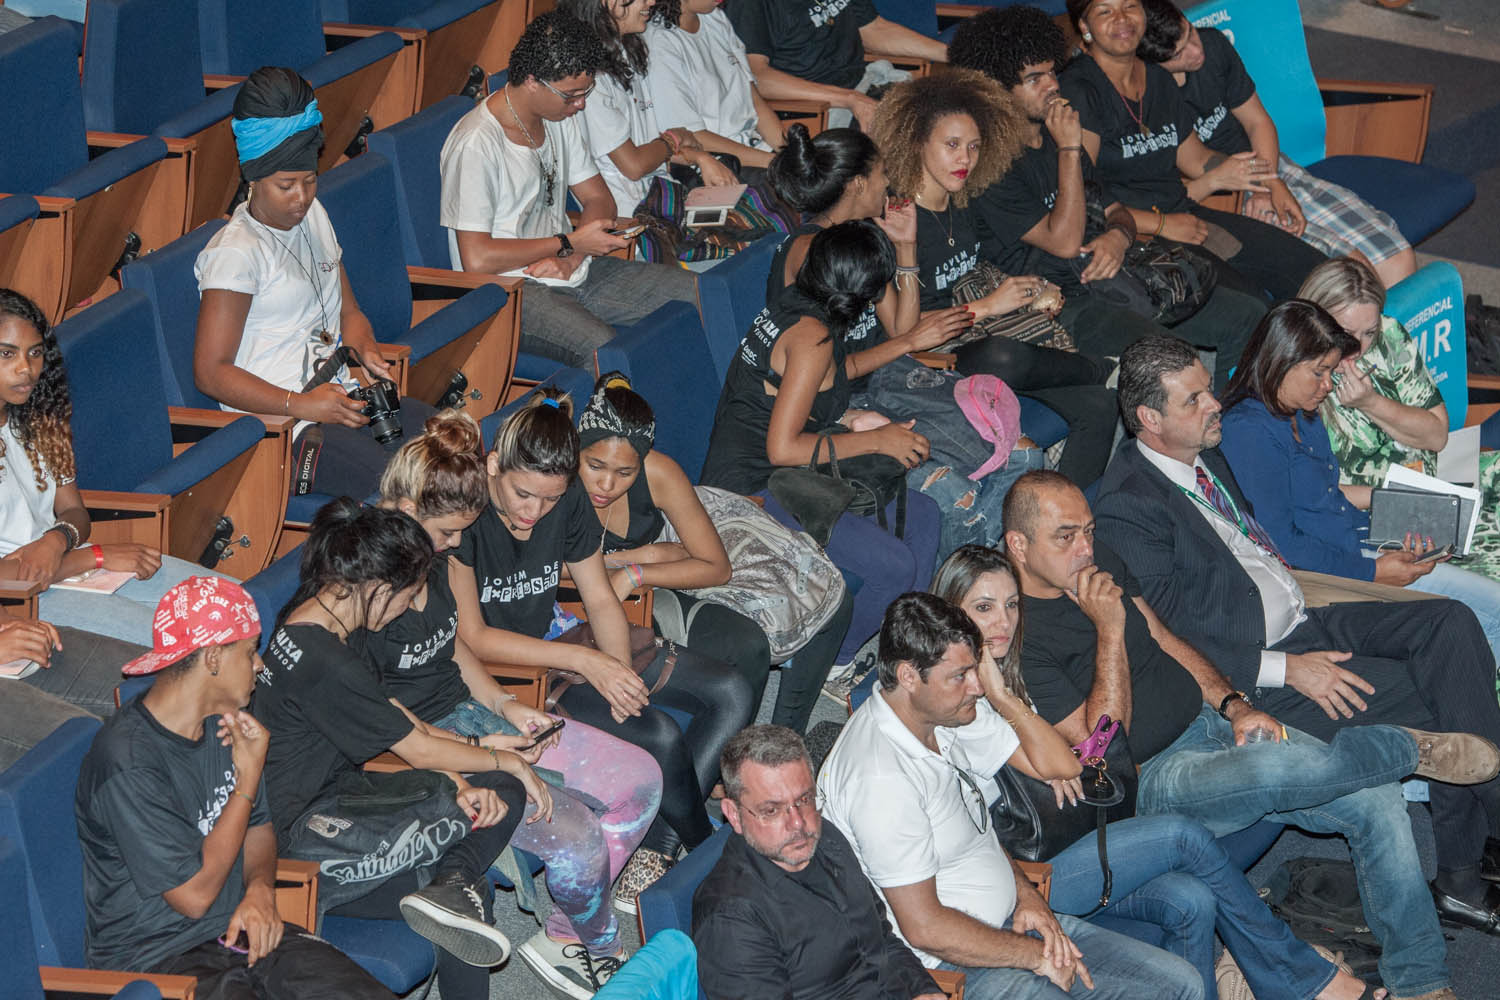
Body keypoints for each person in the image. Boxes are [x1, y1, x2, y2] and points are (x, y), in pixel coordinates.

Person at [1009, 467, 1500, 1000]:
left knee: (1378, 800)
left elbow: (1166, 640)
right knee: (1276, 766)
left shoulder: (1101, 562)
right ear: (1019, 545)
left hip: (1210, 722)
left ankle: (1423, 982)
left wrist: (1235, 706)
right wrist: (1109, 628)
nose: (1085, 549)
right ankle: (1405, 748)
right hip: (1157, 774)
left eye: (1088, 531)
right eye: (1066, 537)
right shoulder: (1019, 634)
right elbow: (1104, 747)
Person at [1095, 335, 1500, 952]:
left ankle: (1471, 858)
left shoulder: (1200, 453)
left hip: (1309, 615)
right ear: (1150, 419)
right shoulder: (1129, 504)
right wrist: (1288, 670)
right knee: (1446, 696)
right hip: (1261, 669)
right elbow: (1169, 638)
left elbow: (1260, 543)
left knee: (1450, 623)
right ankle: (1464, 875)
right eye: (1194, 399)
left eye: (1208, 389)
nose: (1214, 404)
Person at [931, 543, 1381, 1000]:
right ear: (949, 614)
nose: (1003, 622)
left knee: (1193, 898)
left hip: (1075, 835)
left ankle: (1259, 981)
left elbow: (1086, 750)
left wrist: (1042, 740)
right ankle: (1297, 976)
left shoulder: (1006, 671)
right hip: (1032, 869)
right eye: (984, 608)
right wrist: (1011, 707)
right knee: (1183, 836)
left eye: (1011, 605)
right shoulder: (965, 700)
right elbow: (1069, 761)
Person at [367, 410, 665, 997]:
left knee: (641, 780)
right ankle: (602, 947)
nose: (456, 546)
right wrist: (483, 751)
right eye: (448, 534)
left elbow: (454, 647)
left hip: (475, 714)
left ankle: (566, 932)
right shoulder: (365, 587)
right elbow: (381, 720)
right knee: (578, 836)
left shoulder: (425, 557)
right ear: (406, 511)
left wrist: (506, 705)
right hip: (426, 747)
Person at [447, 391, 754, 905]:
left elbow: (599, 596)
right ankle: (707, 851)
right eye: (523, 495)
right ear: (494, 465)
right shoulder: (465, 513)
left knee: (731, 690)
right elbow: (473, 638)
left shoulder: (566, 498)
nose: (535, 511)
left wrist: (618, 673)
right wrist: (590, 663)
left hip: (563, 637)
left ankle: (658, 851)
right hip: (513, 670)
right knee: (658, 734)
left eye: (550, 499)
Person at [819, 591, 1205, 1000]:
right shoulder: (881, 778)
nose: (978, 687)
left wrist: (1026, 895)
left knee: (1182, 983)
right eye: (960, 676)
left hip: (1013, 922)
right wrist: (1034, 956)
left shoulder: (933, 721)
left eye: (975, 669)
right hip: (951, 963)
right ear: (909, 677)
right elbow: (925, 929)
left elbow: (977, 832)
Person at [253, 500, 533, 1000]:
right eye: (408, 596)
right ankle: (453, 881)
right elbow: (419, 750)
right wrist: (503, 759)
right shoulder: (326, 660)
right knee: (470, 888)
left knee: (493, 791)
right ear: (380, 590)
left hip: (343, 794)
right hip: (303, 844)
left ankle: (452, 880)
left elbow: (393, 715)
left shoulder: (322, 614)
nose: (408, 607)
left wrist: (472, 751)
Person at [75, 575, 396, 997]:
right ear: (213, 657)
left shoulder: (224, 724)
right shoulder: (128, 762)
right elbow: (195, 897)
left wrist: (261, 889)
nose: (260, 664)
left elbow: (259, 827)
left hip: (242, 930)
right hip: (160, 959)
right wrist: (247, 779)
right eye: (250, 651)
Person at [948, 5, 1266, 393]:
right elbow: (1064, 242)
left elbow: (1116, 210)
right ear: (997, 92)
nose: (1052, 85)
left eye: (1051, 72)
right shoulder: (989, 166)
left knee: (1250, 316)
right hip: (1062, 303)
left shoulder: (1055, 135)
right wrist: (1069, 149)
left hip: (1116, 277)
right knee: (1174, 362)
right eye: (1034, 79)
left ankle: (1233, 416)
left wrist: (1118, 236)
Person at [766, 123, 1072, 517]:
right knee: (993, 476)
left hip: (887, 375)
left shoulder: (860, 236)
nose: (888, 183)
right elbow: (834, 370)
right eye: (882, 174)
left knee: (1025, 457)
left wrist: (905, 246)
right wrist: (905, 345)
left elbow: (901, 327)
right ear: (858, 184)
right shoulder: (811, 251)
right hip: (843, 398)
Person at [699, 221, 942, 664]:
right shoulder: (813, 337)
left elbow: (829, 375)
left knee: (924, 517)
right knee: (893, 566)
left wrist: (904, 344)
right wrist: (878, 440)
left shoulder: (802, 302)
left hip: (785, 472)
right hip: (750, 489)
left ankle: (906, 653)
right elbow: (783, 449)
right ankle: (835, 663)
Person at [194, 67, 432, 501]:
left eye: (309, 180)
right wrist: (301, 404)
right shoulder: (236, 253)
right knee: (403, 489)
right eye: (285, 186)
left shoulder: (315, 215)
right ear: (253, 178)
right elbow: (211, 373)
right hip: (283, 427)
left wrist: (365, 347)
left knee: (452, 445)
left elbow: (348, 311)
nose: (301, 197)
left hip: (337, 397)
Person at [1215, 301, 1500, 660]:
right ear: (1282, 361)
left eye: (1330, 372)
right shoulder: (1248, 431)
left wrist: (1388, 539)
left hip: (1352, 550)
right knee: (1491, 615)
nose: (1328, 385)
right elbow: (1280, 544)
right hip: (1326, 578)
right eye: (1319, 372)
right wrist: (1374, 571)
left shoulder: (1301, 412)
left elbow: (1329, 502)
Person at [578, 372, 853, 734]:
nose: (607, 484)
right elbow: (552, 568)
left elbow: (715, 566)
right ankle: (739, 747)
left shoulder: (657, 471)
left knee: (832, 593)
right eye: (595, 466)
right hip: (608, 594)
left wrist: (634, 570)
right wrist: (647, 556)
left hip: (652, 571)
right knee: (747, 644)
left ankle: (786, 735)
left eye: (625, 472)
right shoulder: (557, 479)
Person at [438, 11, 699, 368]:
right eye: (571, 95)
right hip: (508, 291)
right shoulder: (476, 144)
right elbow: (477, 259)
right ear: (532, 81)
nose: (581, 104)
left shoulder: (557, 117)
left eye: (586, 92)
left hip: (573, 267)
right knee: (607, 350)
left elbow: (599, 198)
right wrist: (569, 243)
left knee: (702, 295)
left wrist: (572, 257)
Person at [1058, 0, 1326, 302]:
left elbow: (1197, 159)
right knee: (1252, 307)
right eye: (1105, 11)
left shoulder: (1157, 77)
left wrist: (1270, 181)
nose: (1122, 18)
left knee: (1315, 272)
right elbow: (1083, 196)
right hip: (1130, 233)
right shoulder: (1079, 89)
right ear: (1085, 25)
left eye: (1130, 5)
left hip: (1185, 215)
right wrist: (1162, 224)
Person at [1137, 0, 1416, 287]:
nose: (1196, 51)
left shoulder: (1213, 45)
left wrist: (1269, 180)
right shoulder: (1149, 94)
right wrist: (1262, 185)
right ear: (1153, 62)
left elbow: (1257, 121)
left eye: (1190, 32)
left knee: (1397, 259)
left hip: (1264, 164)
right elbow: (1197, 164)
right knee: (1357, 278)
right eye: (1179, 53)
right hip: (1218, 196)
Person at [0, 288, 206, 646]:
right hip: (24, 601)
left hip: (64, 562)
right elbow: (10, 578)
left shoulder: (39, 418)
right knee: (182, 641)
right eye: (7, 354)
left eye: (35, 353)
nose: (26, 369)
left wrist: (57, 539)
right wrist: (94, 556)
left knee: (232, 603)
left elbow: (74, 511)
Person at [693, 724, 945, 1000]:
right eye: (772, 810)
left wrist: (923, 988)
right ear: (734, 814)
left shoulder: (825, 838)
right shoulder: (732, 919)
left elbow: (883, 940)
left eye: (804, 799)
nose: (798, 823)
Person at [1299, 257, 1500, 590]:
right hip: (1385, 518)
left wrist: (1371, 402)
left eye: (1369, 332)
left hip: (1441, 476)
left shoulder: (1388, 334)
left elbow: (1437, 435)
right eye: (1345, 334)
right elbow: (1312, 495)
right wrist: (1400, 498)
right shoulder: (1299, 382)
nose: (1359, 346)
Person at [725, 0, 947, 130]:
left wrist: (953, 53)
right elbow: (756, 77)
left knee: (946, 110)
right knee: (923, 131)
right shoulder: (750, 4)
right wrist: (849, 99)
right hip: (811, 111)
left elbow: (873, 29)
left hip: (861, 87)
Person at [644, 0, 785, 172]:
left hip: (756, 148)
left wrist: (788, 153)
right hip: (716, 162)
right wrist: (775, 164)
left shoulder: (714, 16)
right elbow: (692, 135)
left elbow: (754, 102)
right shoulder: (660, 42)